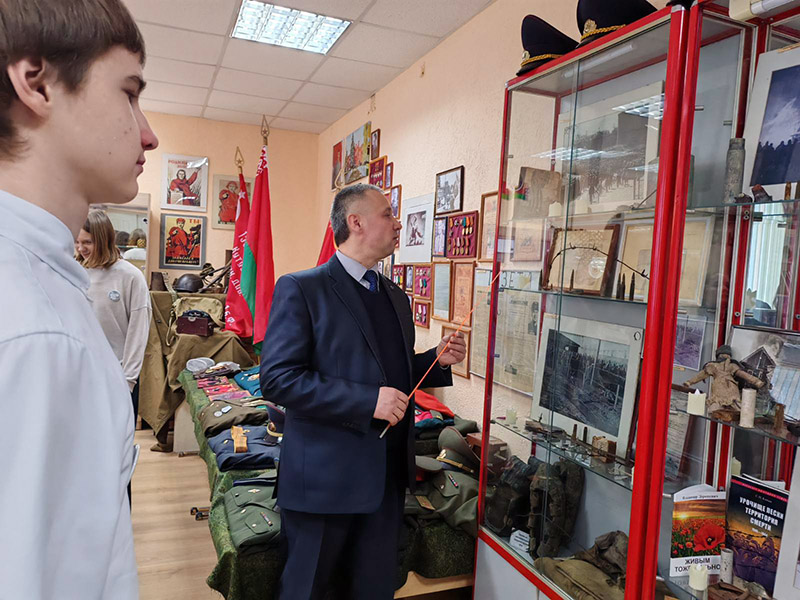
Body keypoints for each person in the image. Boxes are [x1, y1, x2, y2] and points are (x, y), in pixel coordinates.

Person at [0, 1, 158, 597]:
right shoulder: (33, 329)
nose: (148, 132)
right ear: (37, 83)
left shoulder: (46, 286)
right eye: (128, 93)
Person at [260, 183, 467, 599]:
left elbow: (393, 374)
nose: (398, 223)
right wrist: (368, 401)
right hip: (323, 483)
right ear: (355, 222)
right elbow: (279, 379)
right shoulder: (302, 288)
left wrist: (436, 360)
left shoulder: (395, 296)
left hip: (385, 483)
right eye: (388, 213)